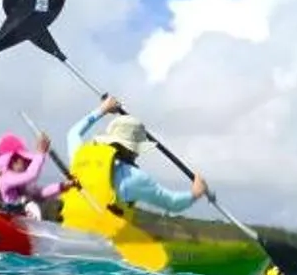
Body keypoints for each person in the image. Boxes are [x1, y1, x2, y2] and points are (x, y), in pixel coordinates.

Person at [63, 96, 208, 228]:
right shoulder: (134, 177)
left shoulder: (80, 154)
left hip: (68, 233)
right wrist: (195, 193)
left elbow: (73, 133)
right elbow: (172, 203)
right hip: (102, 245)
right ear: (133, 148)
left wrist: (102, 110)